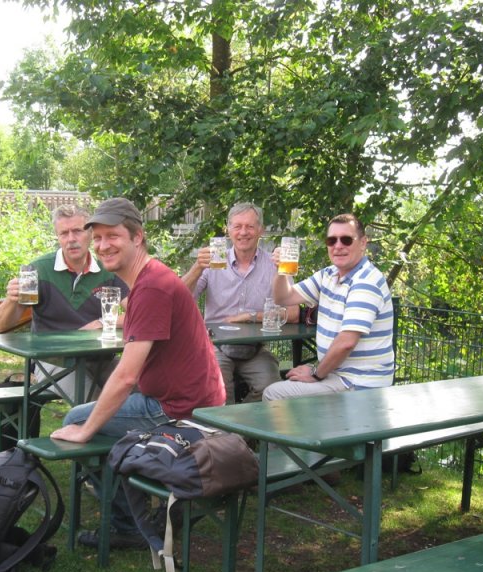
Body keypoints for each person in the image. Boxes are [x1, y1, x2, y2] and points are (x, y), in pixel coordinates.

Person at [51, 197, 226, 550]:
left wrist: (86, 430)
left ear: (137, 237)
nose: (103, 246)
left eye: (113, 236)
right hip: (188, 398)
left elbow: (126, 376)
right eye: (98, 238)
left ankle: (128, 524)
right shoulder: (150, 278)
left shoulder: (151, 287)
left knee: (78, 419)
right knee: (102, 412)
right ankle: (136, 496)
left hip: (179, 408)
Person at [0, 203, 129, 403]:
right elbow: (3, 324)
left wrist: (101, 323)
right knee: (96, 406)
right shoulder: (38, 269)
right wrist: (11, 300)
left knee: (141, 389)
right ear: (57, 237)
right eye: (64, 233)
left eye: (77, 231)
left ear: (90, 233)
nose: (71, 239)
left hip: (100, 358)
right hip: (52, 360)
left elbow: (139, 313)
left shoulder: (107, 269)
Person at [262, 213, 394, 402]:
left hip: (361, 384)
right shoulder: (329, 275)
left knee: (274, 394)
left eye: (346, 240)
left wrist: (316, 373)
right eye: (332, 240)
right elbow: (284, 297)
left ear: (363, 243)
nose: (338, 246)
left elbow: (346, 342)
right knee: (286, 380)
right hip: (339, 375)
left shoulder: (366, 281)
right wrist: (281, 270)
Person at [182, 202, 299, 404]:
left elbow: (294, 313)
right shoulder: (213, 261)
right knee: (218, 392)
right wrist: (196, 268)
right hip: (216, 346)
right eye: (237, 226)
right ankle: (225, 423)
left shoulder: (274, 264)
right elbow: (179, 299)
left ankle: (241, 423)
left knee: (273, 391)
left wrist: (250, 316)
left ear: (261, 230)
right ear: (228, 230)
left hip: (255, 349)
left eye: (250, 226)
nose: (243, 232)